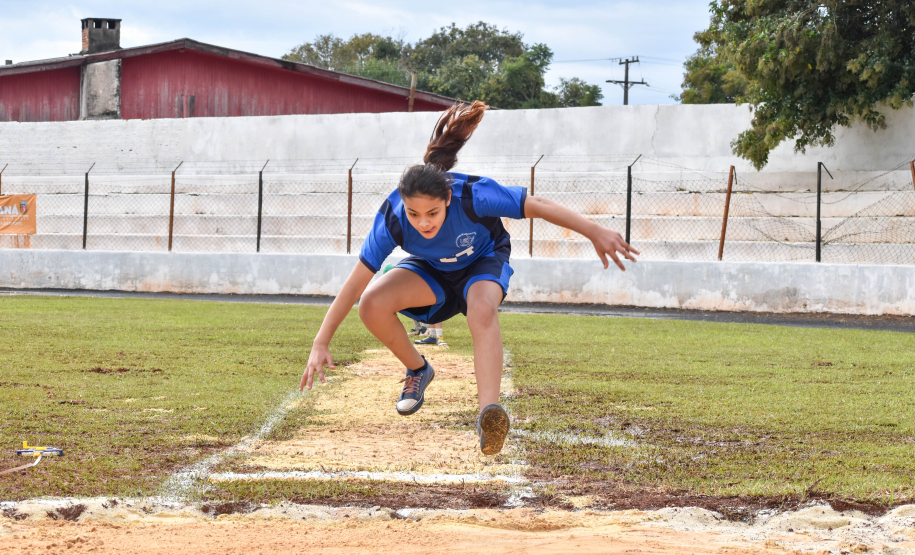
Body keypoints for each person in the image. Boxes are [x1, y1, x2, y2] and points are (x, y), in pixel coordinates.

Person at [300, 101, 638, 455]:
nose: (424, 222)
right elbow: (355, 283)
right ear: (403, 205)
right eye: (415, 214)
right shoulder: (392, 220)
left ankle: (488, 415)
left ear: (447, 198)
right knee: (371, 304)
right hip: (433, 269)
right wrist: (320, 341)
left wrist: (594, 231)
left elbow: (535, 204)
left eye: (432, 212)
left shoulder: (472, 196)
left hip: (483, 261)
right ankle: (418, 370)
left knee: (480, 311)